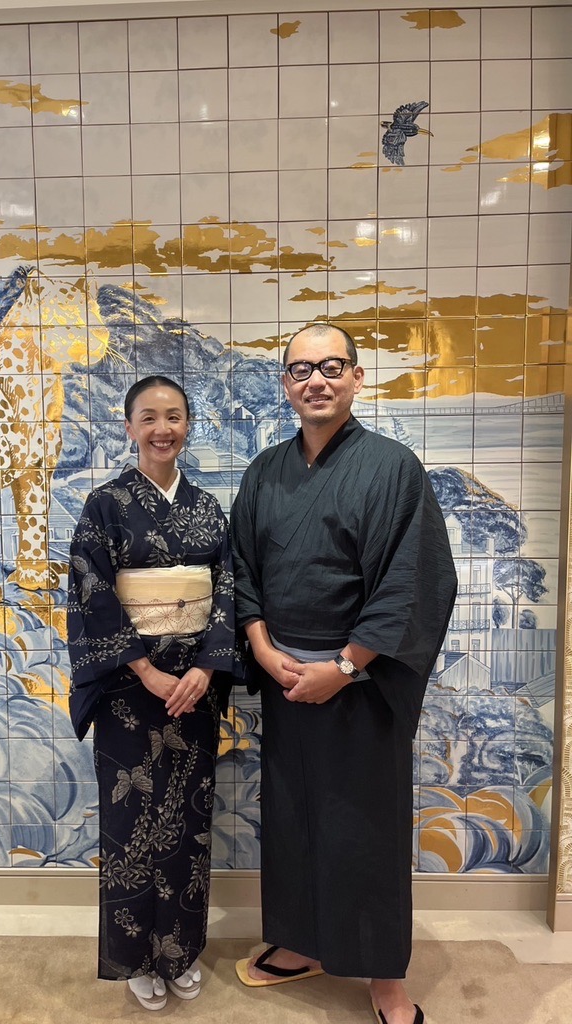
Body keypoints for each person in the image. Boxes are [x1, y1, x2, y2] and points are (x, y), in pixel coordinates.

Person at [230, 324, 457, 1024]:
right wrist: (263, 650)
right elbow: (242, 571)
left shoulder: (393, 468)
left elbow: (411, 583)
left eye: (331, 366)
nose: (316, 380)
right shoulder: (265, 471)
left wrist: (344, 666)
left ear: (357, 378)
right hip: (285, 675)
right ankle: (301, 942)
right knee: (293, 816)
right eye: (300, 369)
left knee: (364, 828)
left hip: (359, 684)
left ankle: (385, 979)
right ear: (286, 384)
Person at [67, 375, 238, 1011]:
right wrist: (145, 671)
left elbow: (226, 590)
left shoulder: (207, 507)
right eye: (149, 417)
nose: (162, 428)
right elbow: (93, 594)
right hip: (128, 692)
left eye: (173, 416)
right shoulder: (104, 505)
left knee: (188, 820)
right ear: (130, 427)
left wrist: (207, 670)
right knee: (129, 822)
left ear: (187, 425)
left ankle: (181, 951)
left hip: (193, 690)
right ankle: (136, 956)